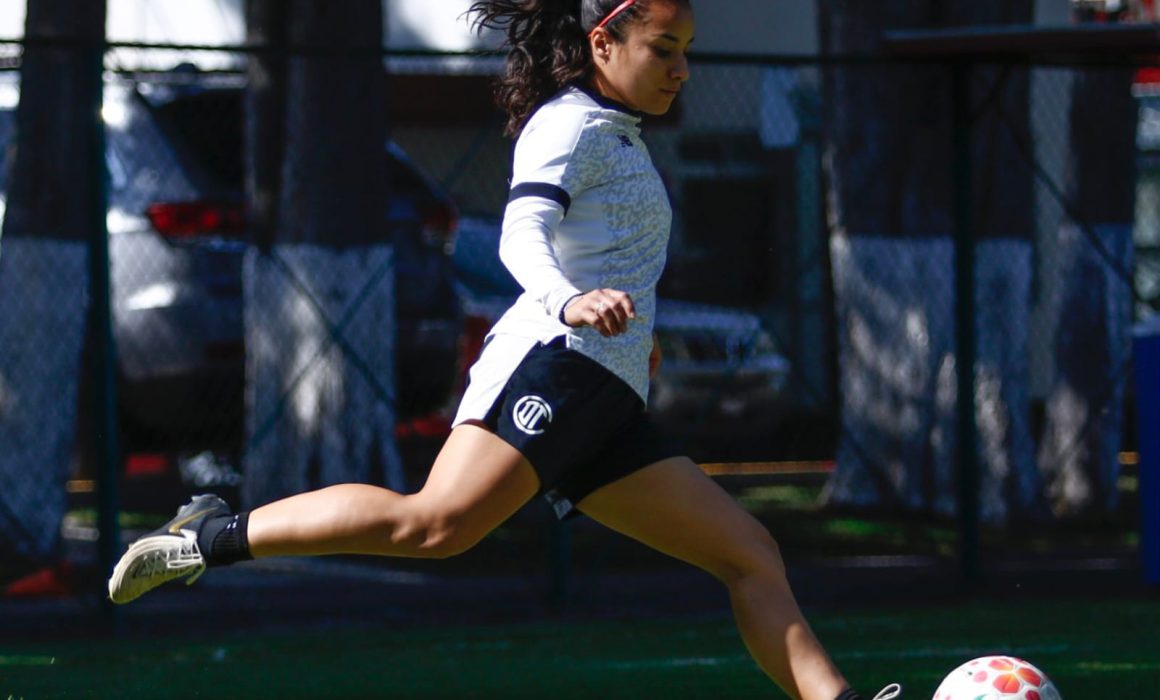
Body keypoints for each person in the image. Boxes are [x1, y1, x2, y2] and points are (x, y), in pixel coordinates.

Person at [107, 2, 900, 699]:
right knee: (436, 525)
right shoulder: (568, 125)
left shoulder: (620, 138)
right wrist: (572, 301)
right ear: (603, 43)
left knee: (750, 555)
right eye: (664, 49)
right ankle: (208, 534)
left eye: (686, 50)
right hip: (552, 365)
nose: (682, 69)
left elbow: (609, 256)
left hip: (606, 397)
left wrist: (631, 344)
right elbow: (523, 234)